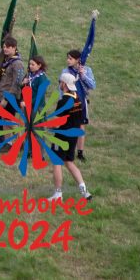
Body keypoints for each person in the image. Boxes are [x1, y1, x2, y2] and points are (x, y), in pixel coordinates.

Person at [50, 71, 93, 200]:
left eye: (60, 83)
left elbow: (56, 124)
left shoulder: (63, 101)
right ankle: (85, 192)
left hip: (61, 136)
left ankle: (58, 194)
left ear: (64, 84)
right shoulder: (77, 98)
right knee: (69, 162)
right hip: (73, 135)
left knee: (57, 163)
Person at [0, 36, 24, 151]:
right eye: (4, 47)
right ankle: (8, 143)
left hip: (10, 97)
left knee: (9, 120)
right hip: (1, 94)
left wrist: (6, 98)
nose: (5, 49)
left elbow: (17, 83)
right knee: (4, 119)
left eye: (8, 47)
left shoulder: (17, 63)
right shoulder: (6, 60)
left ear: (14, 48)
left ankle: (20, 140)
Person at [66, 48, 96, 161]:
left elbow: (92, 85)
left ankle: (80, 152)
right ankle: (69, 150)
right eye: (67, 58)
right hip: (69, 101)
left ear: (78, 60)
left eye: (70, 58)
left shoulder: (87, 70)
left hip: (82, 102)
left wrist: (83, 76)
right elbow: (62, 87)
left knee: (81, 126)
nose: (68, 61)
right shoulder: (66, 71)